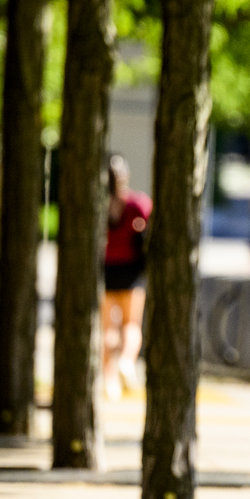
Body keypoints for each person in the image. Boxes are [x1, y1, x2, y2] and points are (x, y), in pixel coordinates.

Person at [101, 154, 152, 398]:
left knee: (107, 329)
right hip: (131, 272)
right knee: (131, 324)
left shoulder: (100, 205)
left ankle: (108, 379)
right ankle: (126, 361)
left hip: (107, 271)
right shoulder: (137, 204)